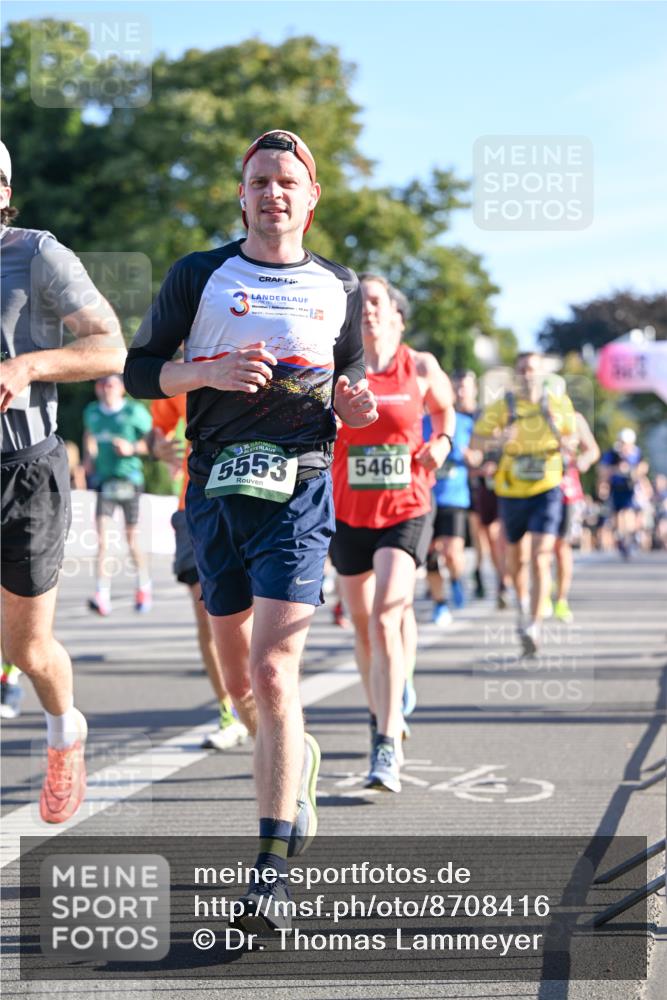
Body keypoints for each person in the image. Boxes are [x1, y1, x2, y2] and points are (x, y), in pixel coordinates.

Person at [124, 129, 377, 930]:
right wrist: (208, 371)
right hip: (215, 491)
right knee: (242, 688)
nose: (273, 193)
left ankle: (270, 871)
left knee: (273, 672)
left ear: (311, 198)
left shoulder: (338, 286)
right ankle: (294, 757)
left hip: (299, 492)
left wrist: (355, 405)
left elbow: (350, 383)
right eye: (260, 181)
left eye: (287, 182)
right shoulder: (199, 274)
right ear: (242, 195)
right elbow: (138, 371)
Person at [0, 139, 126, 821]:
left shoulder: (38, 254)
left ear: (3, 191)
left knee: (24, 647)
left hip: (25, 471)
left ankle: (62, 730)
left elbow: (110, 347)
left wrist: (28, 367)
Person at [330, 274, 455, 792]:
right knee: (365, 627)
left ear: (397, 316)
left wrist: (442, 443)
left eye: (376, 301)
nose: (368, 309)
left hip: (407, 507)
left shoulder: (420, 366)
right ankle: (383, 702)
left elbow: (444, 410)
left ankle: (385, 742)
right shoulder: (335, 368)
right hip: (348, 512)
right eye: (359, 302)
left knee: (386, 616)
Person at [150, 392, 249, 750]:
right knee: (208, 612)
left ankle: (264, 701)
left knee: (256, 616)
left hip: (255, 500)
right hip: (195, 505)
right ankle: (229, 711)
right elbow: (158, 428)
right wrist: (160, 447)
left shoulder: (264, 363)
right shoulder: (183, 375)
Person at [470, 353, 576, 655]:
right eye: (522, 370)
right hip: (512, 490)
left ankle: (534, 625)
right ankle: (524, 603)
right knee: (517, 559)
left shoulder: (558, 404)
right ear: (515, 375)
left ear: (542, 374)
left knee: (541, 557)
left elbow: (572, 440)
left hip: (547, 487)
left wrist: (567, 442)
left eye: (532, 369)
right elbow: (476, 443)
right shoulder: (503, 406)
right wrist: (499, 440)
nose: (527, 374)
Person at [83, 374, 153, 615]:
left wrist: (131, 448)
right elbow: (89, 434)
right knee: (103, 540)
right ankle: (102, 595)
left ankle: (144, 585)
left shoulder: (134, 411)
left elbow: (152, 442)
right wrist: (88, 457)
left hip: (130, 480)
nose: (106, 388)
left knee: (131, 539)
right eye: (102, 384)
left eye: (111, 384)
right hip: (105, 481)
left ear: (122, 388)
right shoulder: (92, 411)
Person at [425, 369, 476, 626]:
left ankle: (456, 578)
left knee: (452, 553)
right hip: (426, 497)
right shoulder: (421, 421)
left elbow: (477, 456)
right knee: (431, 555)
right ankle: (439, 603)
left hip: (455, 497)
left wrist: (471, 456)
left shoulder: (465, 423)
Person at [551, 409, 600, 622]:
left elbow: (593, 450)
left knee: (561, 547)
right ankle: (542, 592)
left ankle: (561, 599)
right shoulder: (528, 414)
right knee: (539, 547)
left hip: (566, 492)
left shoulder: (574, 418)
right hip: (534, 490)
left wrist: (584, 460)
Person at [598, 428, 647, 558]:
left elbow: (643, 468)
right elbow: (603, 470)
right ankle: (621, 537)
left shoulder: (636, 453)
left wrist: (634, 472)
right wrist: (614, 471)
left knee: (629, 513)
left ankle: (630, 538)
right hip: (616, 487)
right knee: (618, 515)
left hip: (630, 488)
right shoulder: (613, 454)